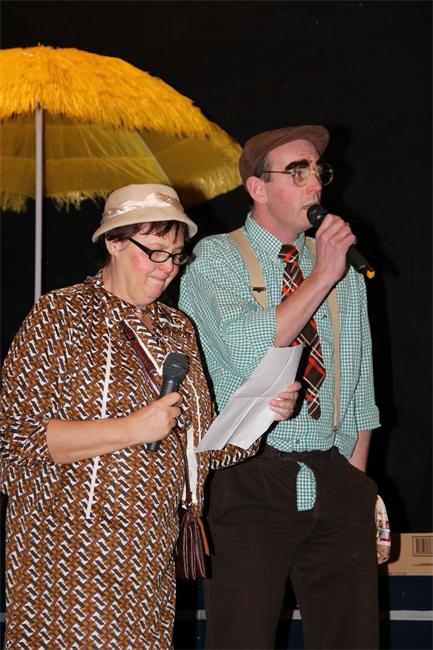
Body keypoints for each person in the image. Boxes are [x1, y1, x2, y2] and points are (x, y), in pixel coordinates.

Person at [0, 182, 300, 649]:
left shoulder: (177, 328)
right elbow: (15, 437)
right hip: (68, 553)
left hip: (149, 554)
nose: (168, 268)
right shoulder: (59, 315)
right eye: (155, 252)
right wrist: (133, 428)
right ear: (114, 243)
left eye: (176, 256)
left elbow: (203, 449)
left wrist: (262, 412)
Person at [179, 125, 381, 650]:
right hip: (249, 475)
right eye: (298, 172)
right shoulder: (215, 258)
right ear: (258, 188)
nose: (316, 183)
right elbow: (250, 349)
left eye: (319, 171)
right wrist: (323, 276)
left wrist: (355, 483)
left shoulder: (342, 272)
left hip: (335, 478)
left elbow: (360, 387)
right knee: (241, 639)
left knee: (351, 639)